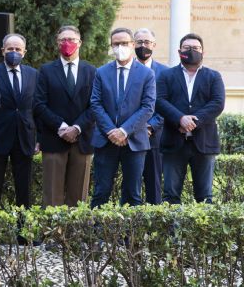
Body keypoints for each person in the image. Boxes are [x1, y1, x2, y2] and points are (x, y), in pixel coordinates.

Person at [156, 33, 225, 204]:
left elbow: (217, 103)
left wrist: (193, 121)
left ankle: (202, 232)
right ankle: (172, 231)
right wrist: (180, 119)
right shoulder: (166, 76)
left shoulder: (213, 76)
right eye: (187, 48)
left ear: (203, 52)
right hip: (174, 142)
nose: (192, 51)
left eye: (196, 48)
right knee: (170, 196)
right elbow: (159, 100)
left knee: (205, 197)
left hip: (204, 143)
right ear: (180, 51)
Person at [90, 27, 155, 207]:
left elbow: (148, 107)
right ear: (111, 46)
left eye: (124, 43)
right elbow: (95, 103)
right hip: (105, 140)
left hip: (134, 141)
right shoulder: (101, 72)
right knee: (101, 192)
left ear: (133, 45)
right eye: (116, 44)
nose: (120, 47)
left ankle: (128, 236)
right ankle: (97, 235)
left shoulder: (147, 74)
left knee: (133, 194)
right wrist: (112, 131)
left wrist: (124, 131)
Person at [34, 25, 97, 207]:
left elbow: (95, 105)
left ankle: (74, 236)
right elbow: (39, 104)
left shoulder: (91, 71)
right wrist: (62, 127)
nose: (67, 43)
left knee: (78, 198)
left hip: (82, 140)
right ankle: (52, 235)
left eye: (71, 40)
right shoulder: (46, 70)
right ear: (57, 43)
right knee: (51, 196)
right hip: (54, 140)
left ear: (80, 43)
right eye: (63, 40)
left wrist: (76, 128)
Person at [0, 33, 37, 208]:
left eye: (18, 49)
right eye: (10, 49)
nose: (14, 52)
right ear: (3, 51)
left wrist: (37, 138)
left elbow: (36, 108)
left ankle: (22, 233)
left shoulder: (33, 74)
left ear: (24, 52)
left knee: (24, 191)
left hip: (24, 138)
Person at [133, 28, 168, 204]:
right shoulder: (126, 69)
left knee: (154, 185)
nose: (143, 46)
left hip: (155, 137)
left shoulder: (165, 72)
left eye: (147, 42)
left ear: (154, 45)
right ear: (133, 44)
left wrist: (150, 126)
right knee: (132, 185)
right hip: (130, 136)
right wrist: (135, 127)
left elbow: (166, 105)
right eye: (139, 42)